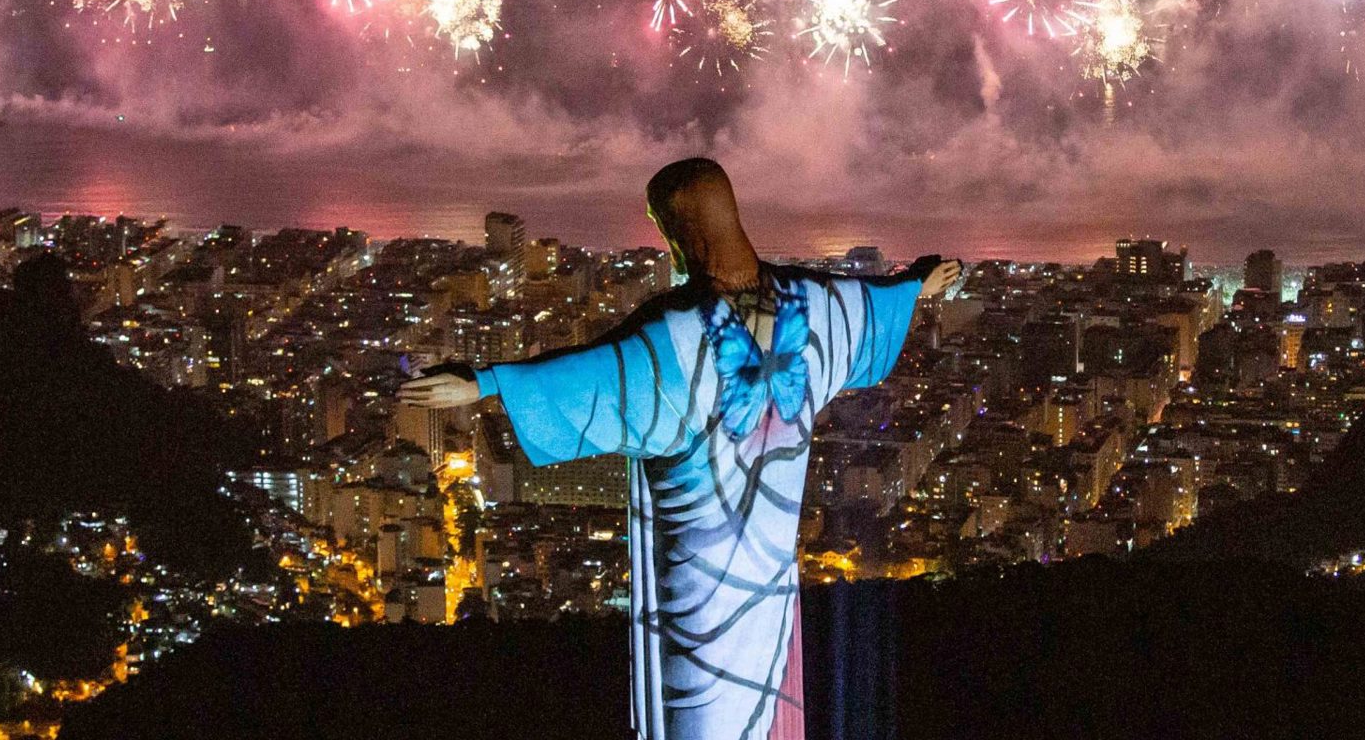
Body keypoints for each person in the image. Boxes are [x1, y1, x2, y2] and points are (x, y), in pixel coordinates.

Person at [399, 158, 962, 740]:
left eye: (661, 226)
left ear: (681, 233)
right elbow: (873, 306)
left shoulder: (674, 338)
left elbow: (589, 377)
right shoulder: (813, 306)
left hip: (699, 608)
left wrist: (485, 381)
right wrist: (919, 285)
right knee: (772, 713)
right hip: (772, 591)